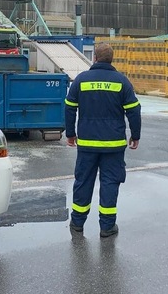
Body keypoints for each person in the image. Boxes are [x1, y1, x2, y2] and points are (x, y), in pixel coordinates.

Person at [64, 42, 141, 238]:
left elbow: (69, 107)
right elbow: (134, 110)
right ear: (111, 59)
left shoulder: (81, 80)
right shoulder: (121, 81)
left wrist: (71, 134)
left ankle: (77, 223)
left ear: (95, 58)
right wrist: (136, 135)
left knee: (83, 182)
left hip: (88, 144)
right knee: (110, 183)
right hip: (113, 145)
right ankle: (107, 227)